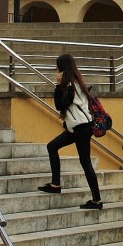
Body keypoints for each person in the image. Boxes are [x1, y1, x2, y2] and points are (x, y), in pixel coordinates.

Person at [39, 53, 103, 209]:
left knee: (85, 162)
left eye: (58, 68)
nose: (57, 71)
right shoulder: (77, 83)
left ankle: (97, 200)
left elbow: (59, 104)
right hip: (77, 128)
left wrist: (58, 85)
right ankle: (55, 184)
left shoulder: (69, 87)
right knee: (52, 146)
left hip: (81, 129)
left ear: (62, 68)